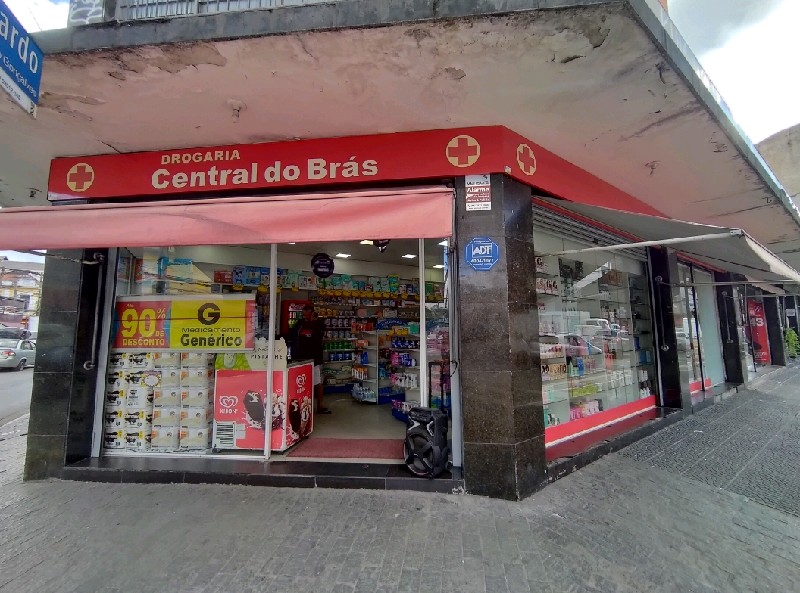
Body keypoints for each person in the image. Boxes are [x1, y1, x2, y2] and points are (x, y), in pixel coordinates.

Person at [289, 304, 330, 414]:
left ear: (312, 313)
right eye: (303, 314)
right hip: (300, 358)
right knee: (301, 382)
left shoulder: (319, 324)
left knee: (318, 382)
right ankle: (302, 405)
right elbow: (292, 335)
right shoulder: (300, 323)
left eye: (306, 314)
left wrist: (312, 321)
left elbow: (320, 335)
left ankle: (320, 406)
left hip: (314, 358)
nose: (304, 316)